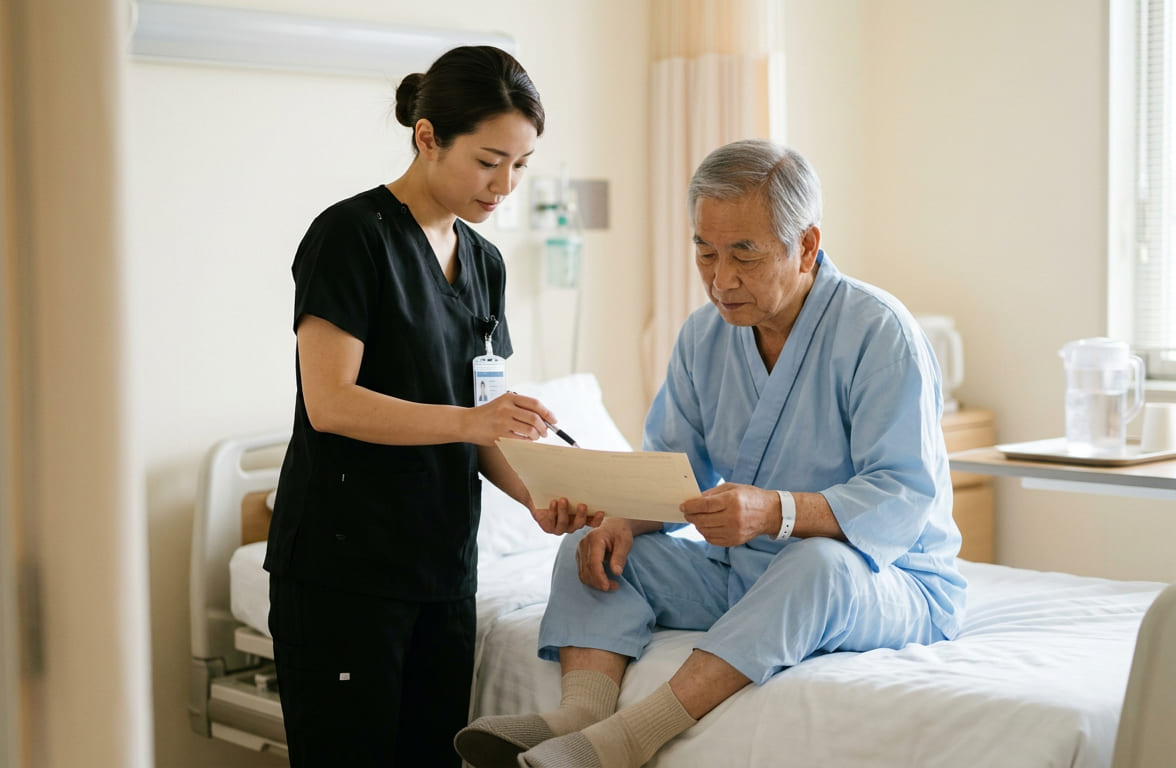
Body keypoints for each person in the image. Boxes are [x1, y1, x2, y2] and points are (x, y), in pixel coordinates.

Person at [454, 139, 967, 768]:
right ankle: (579, 716)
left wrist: (774, 511)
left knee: (819, 565)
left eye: (744, 254)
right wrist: (621, 517)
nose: (721, 280)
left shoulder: (879, 332)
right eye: (705, 252)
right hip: (746, 572)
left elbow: (901, 496)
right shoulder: (703, 336)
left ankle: (627, 738)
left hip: (890, 582)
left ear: (805, 246)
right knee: (598, 548)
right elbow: (675, 475)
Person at [263, 46, 593, 767]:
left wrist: (537, 498)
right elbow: (331, 402)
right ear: (427, 136)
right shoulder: (351, 238)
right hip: (345, 571)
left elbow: (485, 422)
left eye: (521, 164)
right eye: (488, 160)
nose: (505, 183)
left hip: (442, 570)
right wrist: (475, 421)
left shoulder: (484, 263)